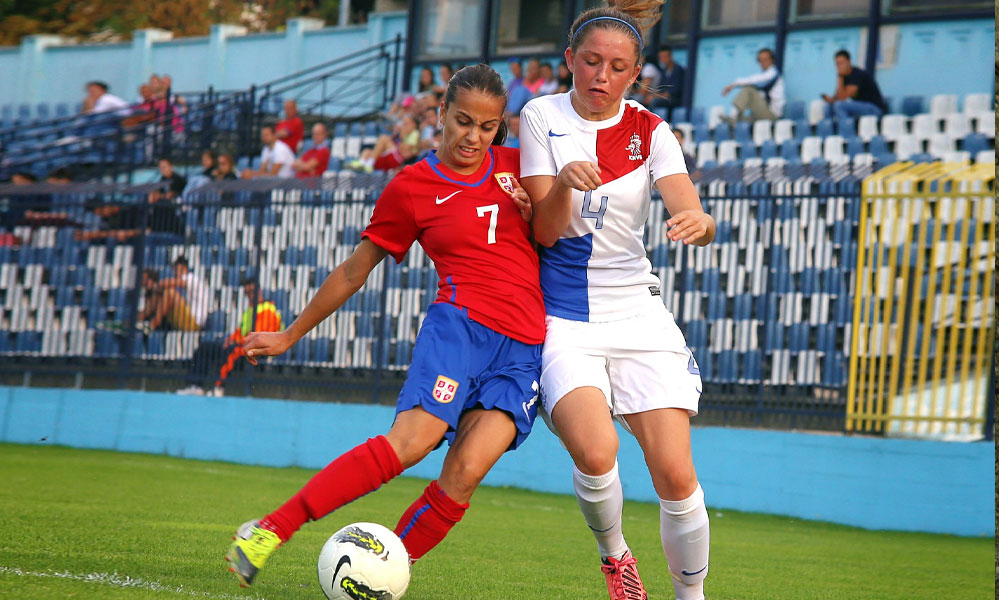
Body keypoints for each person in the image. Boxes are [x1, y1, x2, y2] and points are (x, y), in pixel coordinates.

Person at [224, 64, 544, 589]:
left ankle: (380, 577)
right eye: (463, 121)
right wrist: (289, 334)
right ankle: (269, 529)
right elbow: (355, 270)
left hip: (524, 349)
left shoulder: (523, 167)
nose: (473, 137)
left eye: (487, 127)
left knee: (464, 476)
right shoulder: (413, 186)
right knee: (412, 443)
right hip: (460, 330)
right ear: (439, 114)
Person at [519, 2, 715, 600]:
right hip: (564, 319)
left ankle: (690, 596)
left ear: (635, 75)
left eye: (617, 67)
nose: (602, 76)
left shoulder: (651, 131)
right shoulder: (538, 116)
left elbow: (686, 203)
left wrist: (698, 220)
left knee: (677, 477)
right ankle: (617, 559)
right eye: (591, 62)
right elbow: (544, 233)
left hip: (637, 312)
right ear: (570, 62)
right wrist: (562, 185)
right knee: (597, 452)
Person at [178, 276, 283, 396]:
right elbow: (240, 331)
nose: (250, 295)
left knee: (234, 350)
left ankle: (219, 387)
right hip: (244, 345)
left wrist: (238, 342)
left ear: (259, 291)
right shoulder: (250, 311)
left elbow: (260, 335)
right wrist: (231, 339)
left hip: (258, 350)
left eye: (251, 292)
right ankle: (195, 385)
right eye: (247, 293)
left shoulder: (268, 310)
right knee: (206, 347)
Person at [137, 257, 211, 332]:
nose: (174, 273)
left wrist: (154, 285)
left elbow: (173, 283)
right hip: (186, 319)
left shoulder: (191, 278)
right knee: (159, 296)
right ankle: (136, 320)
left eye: (176, 270)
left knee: (170, 293)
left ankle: (152, 325)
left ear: (183, 268)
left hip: (195, 323)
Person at [721, 48, 784, 123]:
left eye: (765, 59)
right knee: (741, 121)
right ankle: (733, 120)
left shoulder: (773, 74)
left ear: (772, 60)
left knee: (749, 90)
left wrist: (734, 84)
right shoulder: (764, 74)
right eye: (760, 60)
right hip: (761, 115)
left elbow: (754, 80)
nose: (762, 63)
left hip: (772, 116)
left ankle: (732, 117)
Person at [822, 49, 888, 120]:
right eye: (837, 64)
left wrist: (840, 76)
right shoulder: (844, 78)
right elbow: (838, 97)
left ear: (849, 62)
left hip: (875, 109)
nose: (839, 66)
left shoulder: (857, 74)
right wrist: (831, 100)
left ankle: (846, 129)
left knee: (839, 106)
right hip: (861, 107)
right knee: (828, 107)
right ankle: (830, 129)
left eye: (841, 63)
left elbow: (842, 98)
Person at [347, 115, 420, 173]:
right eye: (404, 124)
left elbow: (404, 151)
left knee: (383, 138)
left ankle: (368, 163)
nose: (404, 126)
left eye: (406, 124)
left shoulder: (414, 133)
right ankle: (363, 162)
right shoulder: (406, 134)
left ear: (414, 125)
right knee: (367, 151)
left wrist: (402, 137)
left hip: (398, 160)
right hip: (393, 157)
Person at [641, 45, 684, 119]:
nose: (663, 59)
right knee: (643, 99)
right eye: (661, 57)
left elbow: (674, 91)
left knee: (654, 101)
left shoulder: (678, 70)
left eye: (665, 57)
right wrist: (652, 95)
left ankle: (651, 120)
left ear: (670, 56)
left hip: (674, 99)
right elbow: (661, 88)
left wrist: (655, 96)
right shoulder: (664, 71)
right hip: (664, 97)